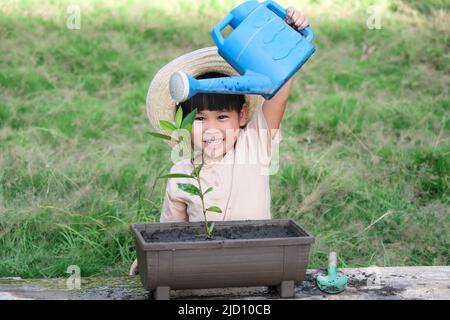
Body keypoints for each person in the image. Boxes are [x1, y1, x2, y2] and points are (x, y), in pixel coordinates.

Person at [130, 7, 310, 275]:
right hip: (202, 271)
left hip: (258, 265)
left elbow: (279, 95)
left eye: (222, 116)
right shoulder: (181, 174)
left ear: (242, 115)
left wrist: (288, 35)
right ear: (184, 124)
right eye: (200, 119)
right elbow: (171, 233)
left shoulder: (255, 146)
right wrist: (149, 259)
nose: (211, 129)